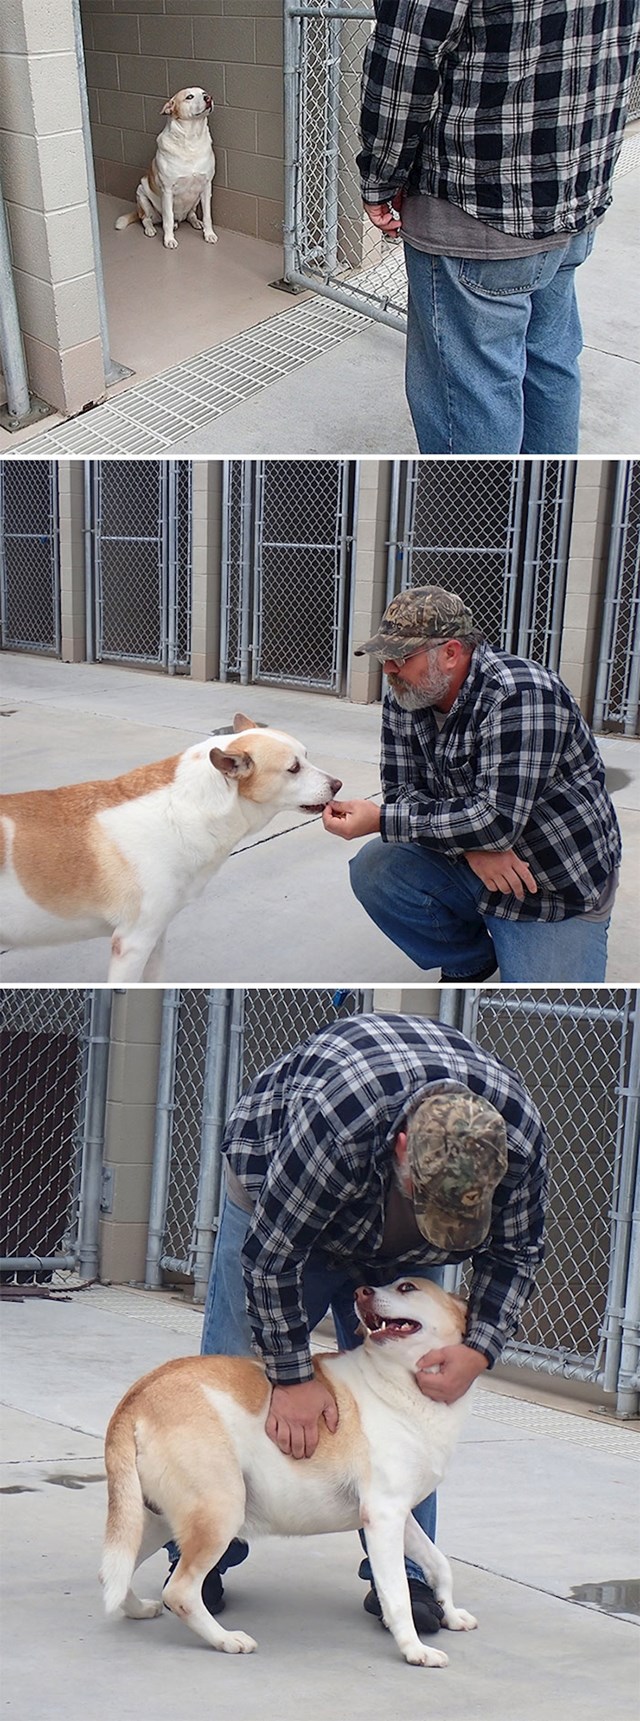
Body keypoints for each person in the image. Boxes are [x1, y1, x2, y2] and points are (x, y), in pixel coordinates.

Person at [168, 1011, 548, 1637]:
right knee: (236, 1366)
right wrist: (292, 1378)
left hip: (381, 1231)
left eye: (458, 1220)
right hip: (281, 1198)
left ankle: (407, 1577)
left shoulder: (516, 1143)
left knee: (411, 1401)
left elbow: (516, 1253)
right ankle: (205, 1554)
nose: (441, 1233)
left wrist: (479, 1349)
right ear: (403, 1150)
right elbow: (271, 1260)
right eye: (432, 1210)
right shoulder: (337, 1126)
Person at [357, 0, 640, 454]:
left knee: (473, 390)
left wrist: (380, 176)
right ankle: (547, 517)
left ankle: (475, 525)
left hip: (477, 207)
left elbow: (405, 59)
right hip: (574, 194)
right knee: (548, 363)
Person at [322, 586, 621, 983]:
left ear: (450, 653)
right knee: (376, 868)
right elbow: (401, 792)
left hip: (552, 884)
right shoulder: (406, 695)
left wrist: (383, 820)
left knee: (536, 1004)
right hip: (480, 858)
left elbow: (496, 821)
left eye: (400, 658)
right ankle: (470, 959)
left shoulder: (521, 695)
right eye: (385, 658)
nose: (388, 669)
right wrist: (473, 847)